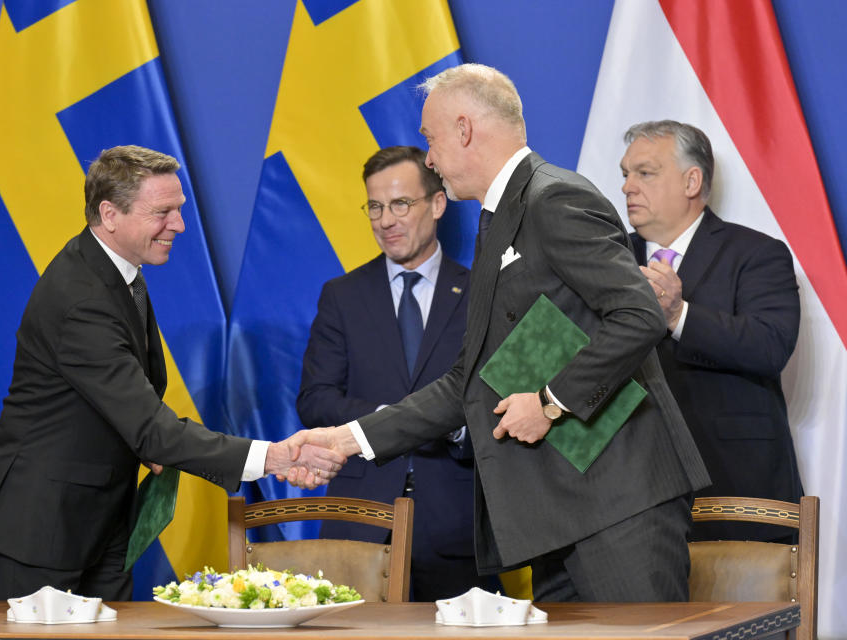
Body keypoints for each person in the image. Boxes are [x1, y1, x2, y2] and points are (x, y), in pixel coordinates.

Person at [291, 64, 710, 603]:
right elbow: (469, 381)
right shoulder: (502, 217)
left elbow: (639, 316)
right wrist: (348, 438)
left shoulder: (553, 199)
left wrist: (551, 401)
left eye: (430, 138)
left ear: (464, 129)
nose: (430, 158)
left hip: (616, 506)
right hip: (558, 513)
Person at [0, 145, 343, 601]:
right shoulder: (81, 297)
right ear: (109, 213)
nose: (179, 225)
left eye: (179, 210)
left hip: (101, 515)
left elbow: (121, 406)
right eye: (163, 212)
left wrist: (148, 441)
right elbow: (150, 428)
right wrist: (275, 457)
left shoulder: (117, 271)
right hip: (44, 525)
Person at [296, 145, 499, 600]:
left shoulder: (481, 294)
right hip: (359, 519)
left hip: (456, 523)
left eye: (401, 204)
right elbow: (315, 400)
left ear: (438, 204)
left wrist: (449, 429)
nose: (386, 220)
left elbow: (494, 402)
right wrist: (397, 421)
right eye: (375, 206)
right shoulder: (342, 295)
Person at [620, 120, 803, 541]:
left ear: (692, 180)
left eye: (644, 172)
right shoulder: (607, 258)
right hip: (630, 500)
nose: (628, 186)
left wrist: (678, 315)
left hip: (734, 488)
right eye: (625, 173)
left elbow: (769, 345)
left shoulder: (757, 254)